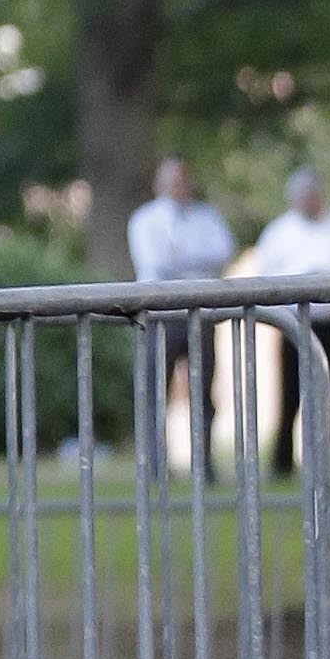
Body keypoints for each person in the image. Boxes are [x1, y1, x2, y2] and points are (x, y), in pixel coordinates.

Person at [237, 164, 330, 477]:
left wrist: (329, 278)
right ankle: (283, 462)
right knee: (290, 396)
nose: (310, 201)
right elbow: (267, 275)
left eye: (314, 195)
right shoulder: (278, 233)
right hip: (296, 324)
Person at [126, 153, 237, 479]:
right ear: (159, 184)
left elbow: (222, 253)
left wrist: (181, 259)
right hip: (158, 313)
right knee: (153, 392)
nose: (179, 186)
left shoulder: (207, 217)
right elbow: (155, 262)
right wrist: (193, 263)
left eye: (182, 179)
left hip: (199, 313)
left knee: (203, 392)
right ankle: (156, 465)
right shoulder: (145, 219)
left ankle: (204, 463)